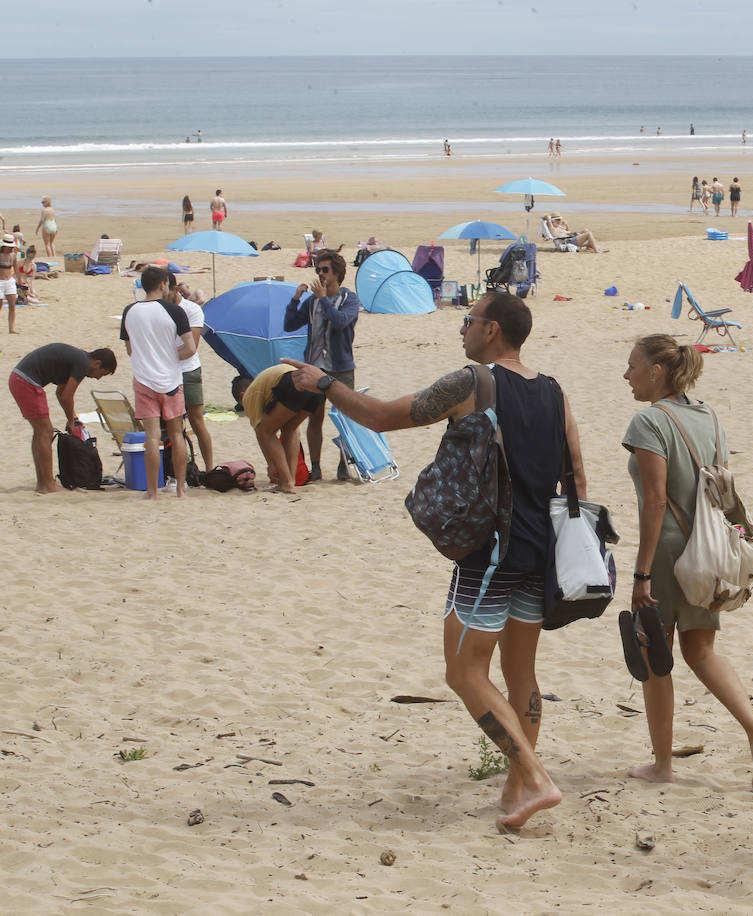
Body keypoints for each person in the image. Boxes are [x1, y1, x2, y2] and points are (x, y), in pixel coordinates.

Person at [284, 291, 586, 829]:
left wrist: (324, 382)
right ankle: (516, 791)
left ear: (492, 330)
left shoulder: (474, 382)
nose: (461, 329)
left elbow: (379, 418)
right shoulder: (555, 390)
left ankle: (535, 777)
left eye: (467, 320)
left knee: (465, 672)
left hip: (492, 547)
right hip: (541, 547)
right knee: (521, 672)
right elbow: (577, 473)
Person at [620, 333, 753, 790]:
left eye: (632, 366)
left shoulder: (648, 422)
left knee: (655, 657)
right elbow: (721, 488)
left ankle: (663, 765)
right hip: (709, 549)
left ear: (657, 371)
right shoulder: (709, 415)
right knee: (701, 651)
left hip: (670, 551)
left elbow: (654, 502)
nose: (626, 374)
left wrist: (641, 572)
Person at [119, 265, 195, 500]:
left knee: (152, 437)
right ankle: (180, 488)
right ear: (163, 284)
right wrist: (172, 356)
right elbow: (190, 349)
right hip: (171, 379)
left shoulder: (130, 311)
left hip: (144, 379)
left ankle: (152, 491)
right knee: (176, 434)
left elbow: (130, 348)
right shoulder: (174, 311)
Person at [284, 250, 360, 481]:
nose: (320, 274)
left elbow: (340, 322)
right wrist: (296, 299)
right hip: (315, 367)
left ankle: (343, 464)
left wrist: (324, 299)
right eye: (317, 269)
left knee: (344, 419)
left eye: (325, 270)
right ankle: (315, 467)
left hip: (341, 368)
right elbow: (289, 325)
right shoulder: (312, 301)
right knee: (314, 418)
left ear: (337, 273)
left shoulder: (350, 299)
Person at [9, 344, 117, 493]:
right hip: (26, 382)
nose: (98, 378)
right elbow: (67, 396)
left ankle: (42, 483)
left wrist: (71, 418)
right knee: (45, 431)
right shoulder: (83, 363)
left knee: (41, 432)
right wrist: (71, 421)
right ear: (97, 363)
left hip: (19, 378)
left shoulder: (79, 358)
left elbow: (61, 393)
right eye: (101, 374)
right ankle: (48, 485)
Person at [239, 364, 320, 493]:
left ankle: (286, 483)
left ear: (240, 396)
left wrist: (271, 464)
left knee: (266, 432)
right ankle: (291, 481)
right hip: (315, 387)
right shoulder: (264, 386)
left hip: (292, 383)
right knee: (290, 429)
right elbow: (295, 432)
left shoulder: (248, 397)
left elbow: (261, 433)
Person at [167, 280, 213, 470]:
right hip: (167, 370)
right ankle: (179, 470)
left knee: (196, 418)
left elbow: (191, 347)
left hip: (188, 369)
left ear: (174, 289)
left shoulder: (191, 309)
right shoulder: (159, 308)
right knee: (174, 423)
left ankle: (209, 467)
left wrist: (163, 353)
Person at [0, 233, 18, 334]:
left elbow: (16, 269)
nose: (11, 248)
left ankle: (11, 329)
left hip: (10, 281)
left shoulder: (13, 255)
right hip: (0, 281)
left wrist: (19, 281)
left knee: (12, 305)